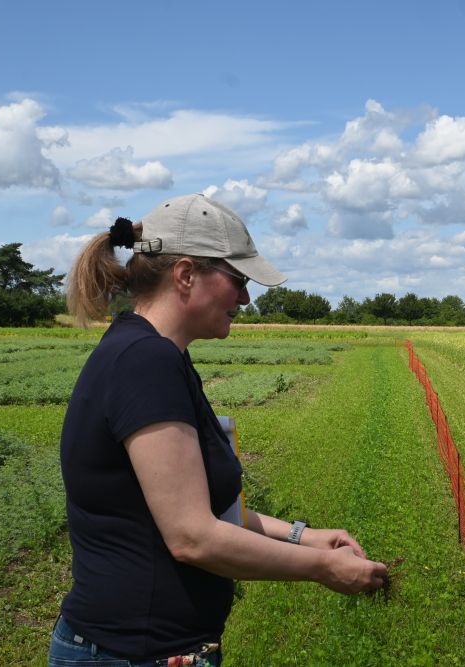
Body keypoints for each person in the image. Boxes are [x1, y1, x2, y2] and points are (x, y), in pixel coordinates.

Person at [50, 194, 388, 667]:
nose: (246, 298)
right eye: (238, 279)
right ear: (185, 274)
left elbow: (205, 509)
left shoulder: (159, 355)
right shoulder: (146, 363)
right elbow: (193, 536)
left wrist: (304, 537)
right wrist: (323, 567)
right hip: (131, 654)